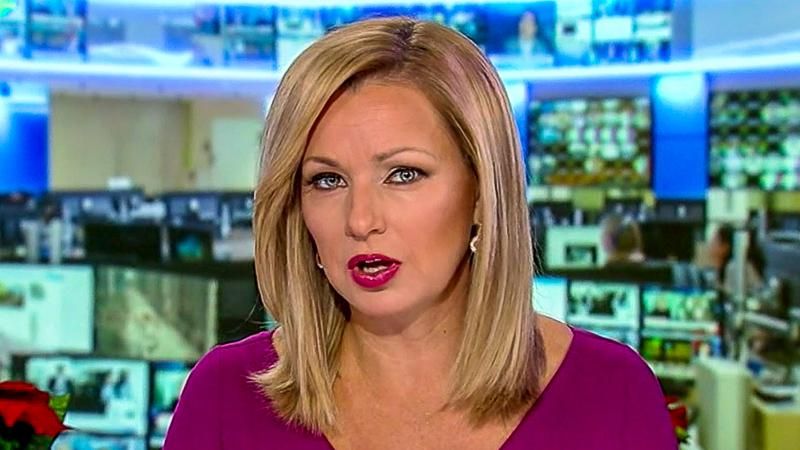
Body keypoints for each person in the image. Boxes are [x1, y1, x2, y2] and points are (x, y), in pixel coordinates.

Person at [164, 17, 675, 449]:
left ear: (482, 193)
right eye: (327, 180)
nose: (360, 220)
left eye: (403, 174)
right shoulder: (224, 398)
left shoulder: (613, 396)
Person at [708, 224, 765, 296]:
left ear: (726, 246)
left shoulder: (735, 267)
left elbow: (731, 296)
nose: (710, 244)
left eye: (715, 241)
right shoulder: (720, 268)